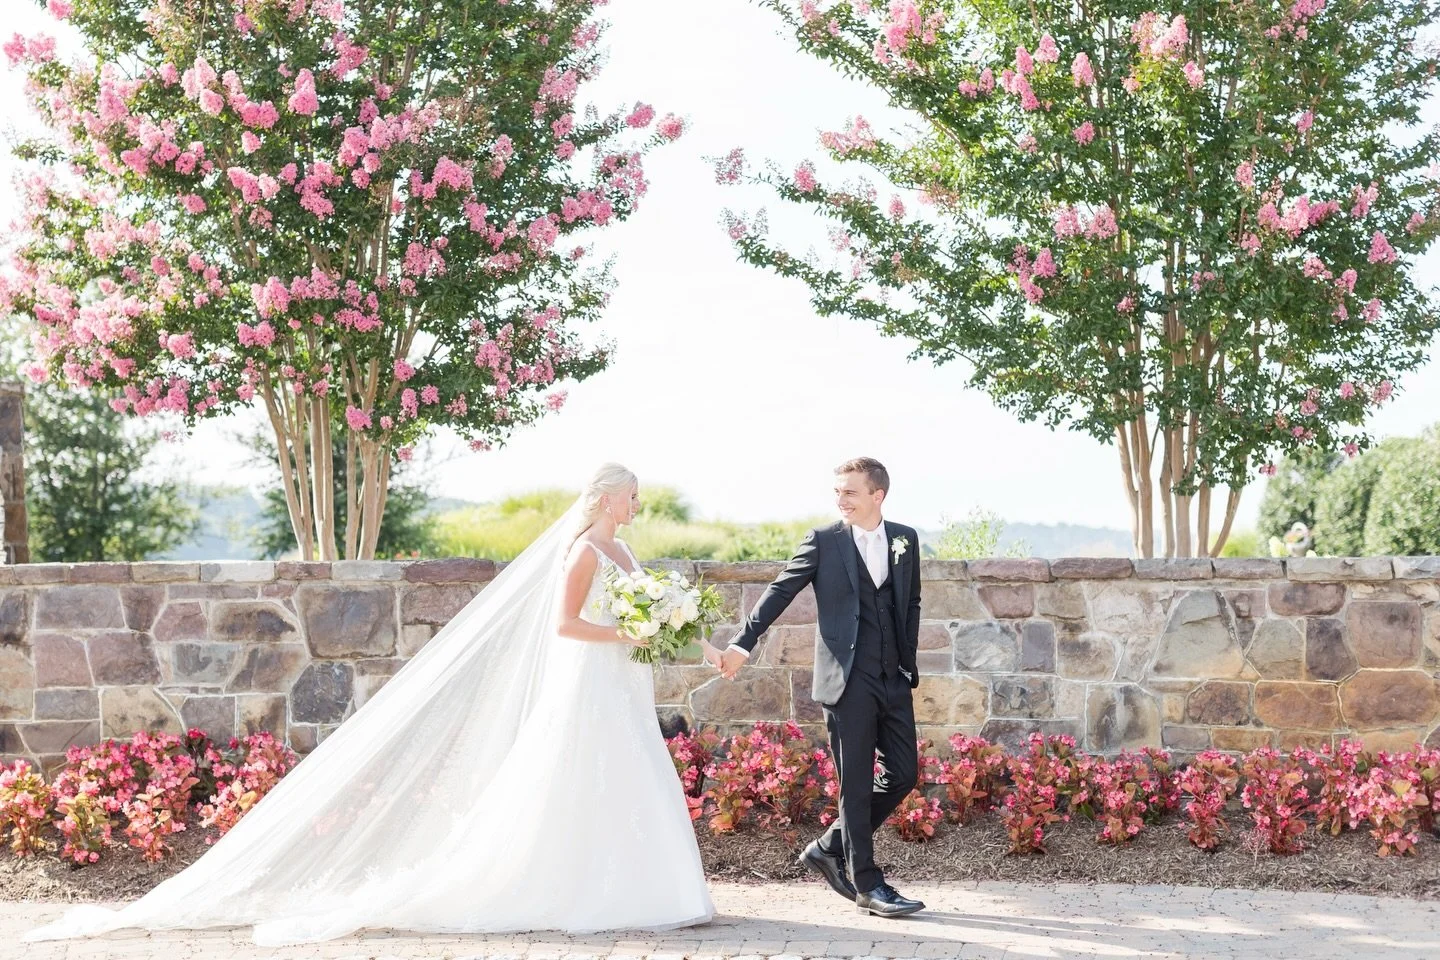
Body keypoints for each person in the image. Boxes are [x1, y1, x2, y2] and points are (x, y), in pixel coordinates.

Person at [26, 462, 717, 945]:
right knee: (576, 776)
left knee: (629, 776)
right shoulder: (582, 556)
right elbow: (567, 626)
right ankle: (580, 886)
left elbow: (647, 611)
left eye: (635, 499)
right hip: (589, 679)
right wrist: (627, 629)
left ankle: (651, 888)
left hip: (621, 681)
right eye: (629, 497)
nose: (635, 506)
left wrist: (665, 628)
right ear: (602, 499)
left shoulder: (623, 551)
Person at [717, 457, 926, 918]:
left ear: (878, 495)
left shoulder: (905, 540)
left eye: (850, 492)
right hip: (847, 680)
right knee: (854, 784)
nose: (840, 500)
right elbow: (780, 591)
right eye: (837, 492)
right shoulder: (824, 541)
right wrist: (742, 645)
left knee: (905, 773)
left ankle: (829, 847)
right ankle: (869, 886)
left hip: (893, 678)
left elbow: (909, 602)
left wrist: (906, 663)